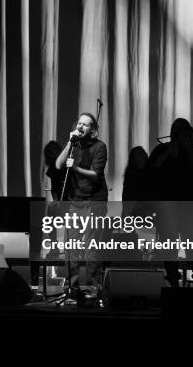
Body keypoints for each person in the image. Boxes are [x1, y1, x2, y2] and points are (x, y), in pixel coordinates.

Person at [148, 118, 193, 288]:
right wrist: (168, 151)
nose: (186, 136)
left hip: (189, 207)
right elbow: (152, 168)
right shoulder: (162, 149)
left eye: (188, 133)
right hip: (167, 209)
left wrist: (187, 147)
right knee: (169, 247)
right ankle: (173, 280)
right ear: (175, 134)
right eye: (182, 133)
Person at [55, 113, 108, 290]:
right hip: (75, 201)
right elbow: (58, 165)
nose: (81, 127)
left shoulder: (100, 147)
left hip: (95, 201)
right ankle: (73, 287)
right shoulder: (73, 145)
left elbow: (95, 174)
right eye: (79, 123)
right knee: (72, 247)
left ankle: (94, 288)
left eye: (86, 125)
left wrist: (76, 168)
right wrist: (69, 141)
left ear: (93, 130)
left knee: (92, 247)